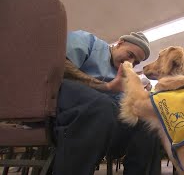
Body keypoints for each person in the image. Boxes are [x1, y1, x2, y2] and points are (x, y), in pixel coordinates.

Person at [53, 30, 161, 175]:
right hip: (63, 106)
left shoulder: (122, 75)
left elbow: (123, 109)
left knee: (149, 124)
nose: (130, 63)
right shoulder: (88, 41)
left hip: (104, 122)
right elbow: (59, 65)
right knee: (103, 106)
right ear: (120, 43)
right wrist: (107, 87)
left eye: (135, 62)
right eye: (130, 55)